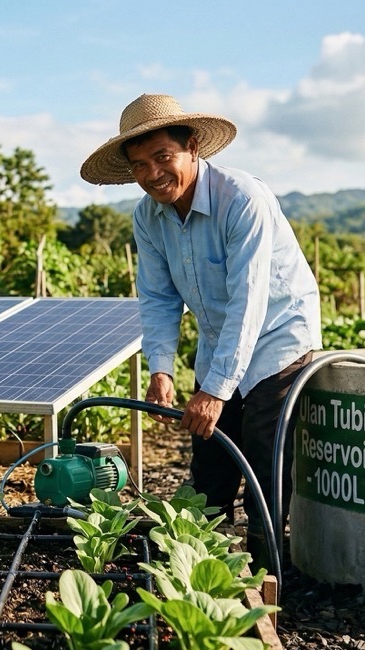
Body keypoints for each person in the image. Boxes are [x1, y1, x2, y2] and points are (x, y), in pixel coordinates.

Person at [80, 93, 321, 564]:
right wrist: (162, 370)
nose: (152, 174)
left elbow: (249, 301)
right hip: (218, 342)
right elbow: (158, 299)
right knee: (209, 467)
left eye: (162, 157)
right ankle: (203, 570)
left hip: (277, 335)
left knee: (261, 460)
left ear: (192, 147)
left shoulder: (242, 199)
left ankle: (269, 577)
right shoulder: (148, 217)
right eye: (139, 165)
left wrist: (215, 391)